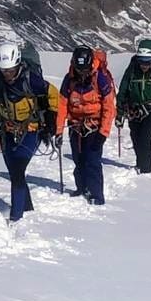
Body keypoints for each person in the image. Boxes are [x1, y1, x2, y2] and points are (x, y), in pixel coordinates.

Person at [0, 43, 59, 222]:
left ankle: (16, 217)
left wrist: (52, 118)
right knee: (17, 173)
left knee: (17, 171)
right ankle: (27, 209)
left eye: (11, 70)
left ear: (18, 65)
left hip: (31, 131)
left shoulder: (31, 80)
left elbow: (53, 94)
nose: (7, 74)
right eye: (4, 71)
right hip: (6, 132)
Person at [55, 46, 116, 205]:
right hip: (75, 127)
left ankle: (97, 195)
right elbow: (62, 105)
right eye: (79, 70)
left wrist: (103, 133)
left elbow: (109, 106)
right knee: (78, 159)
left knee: (93, 161)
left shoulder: (100, 78)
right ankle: (81, 187)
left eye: (85, 70)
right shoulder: (69, 80)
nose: (83, 74)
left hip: (95, 127)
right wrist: (59, 130)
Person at [115, 39, 151, 173]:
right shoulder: (131, 72)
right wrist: (119, 114)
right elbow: (122, 92)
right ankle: (140, 163)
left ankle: (146, 171)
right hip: (133, 111)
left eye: (147, 62)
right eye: (141, 61)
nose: (144, 65)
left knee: (145, 138)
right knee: (135, 138)